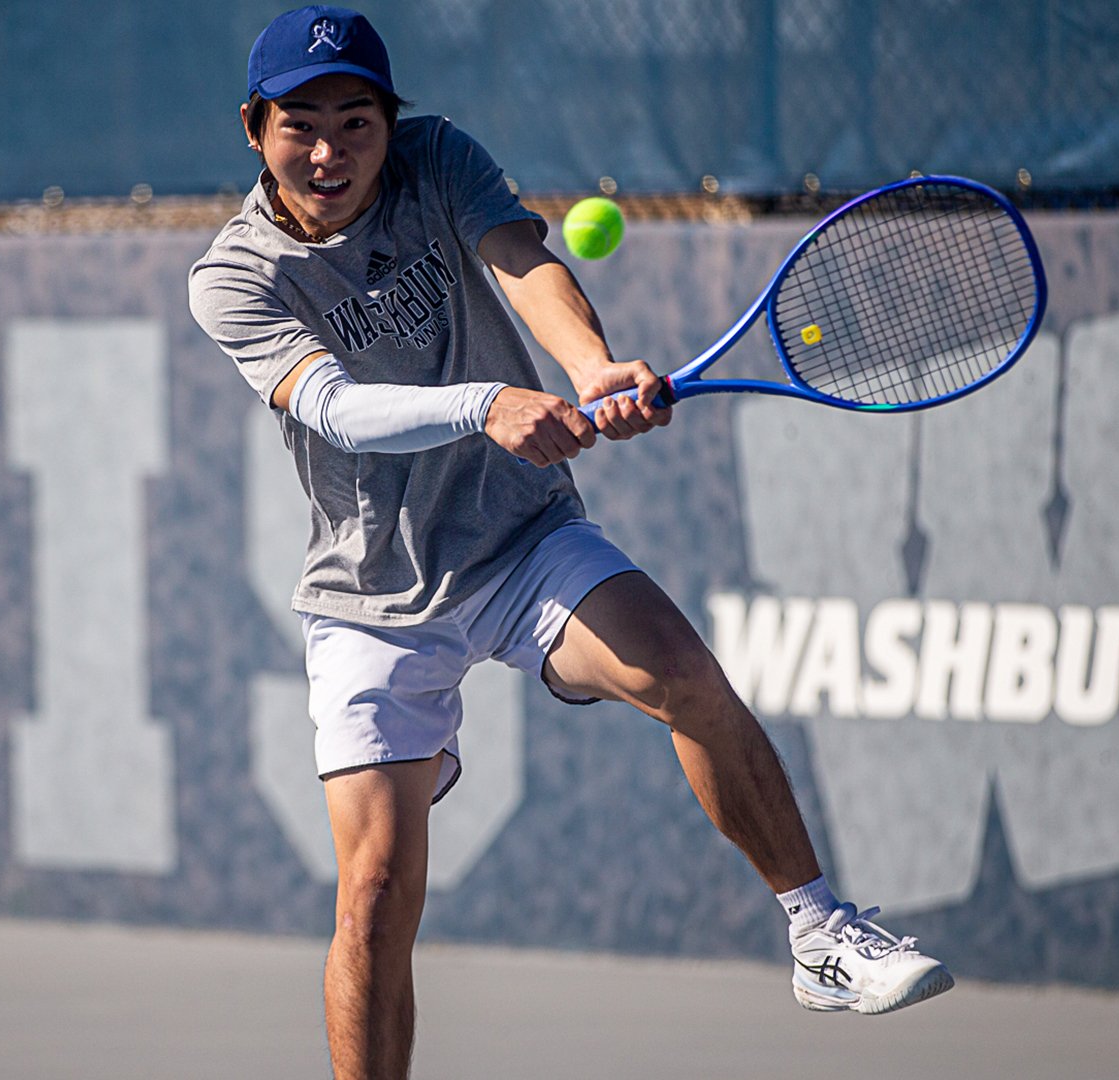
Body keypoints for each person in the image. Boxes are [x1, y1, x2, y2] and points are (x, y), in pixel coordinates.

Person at [189, 8, 951, 1077]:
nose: (330, 151)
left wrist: (590, 368)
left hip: (521, 535)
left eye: (356, 122)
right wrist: (488, 403)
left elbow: (522, 260)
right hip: (373, 594)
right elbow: (336, 410)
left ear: (389, 123)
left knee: (681, 671)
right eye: (301, 125)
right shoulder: (234, 275)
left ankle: (820, 932)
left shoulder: (434, 158)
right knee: (374, 896)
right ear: (254, 128)